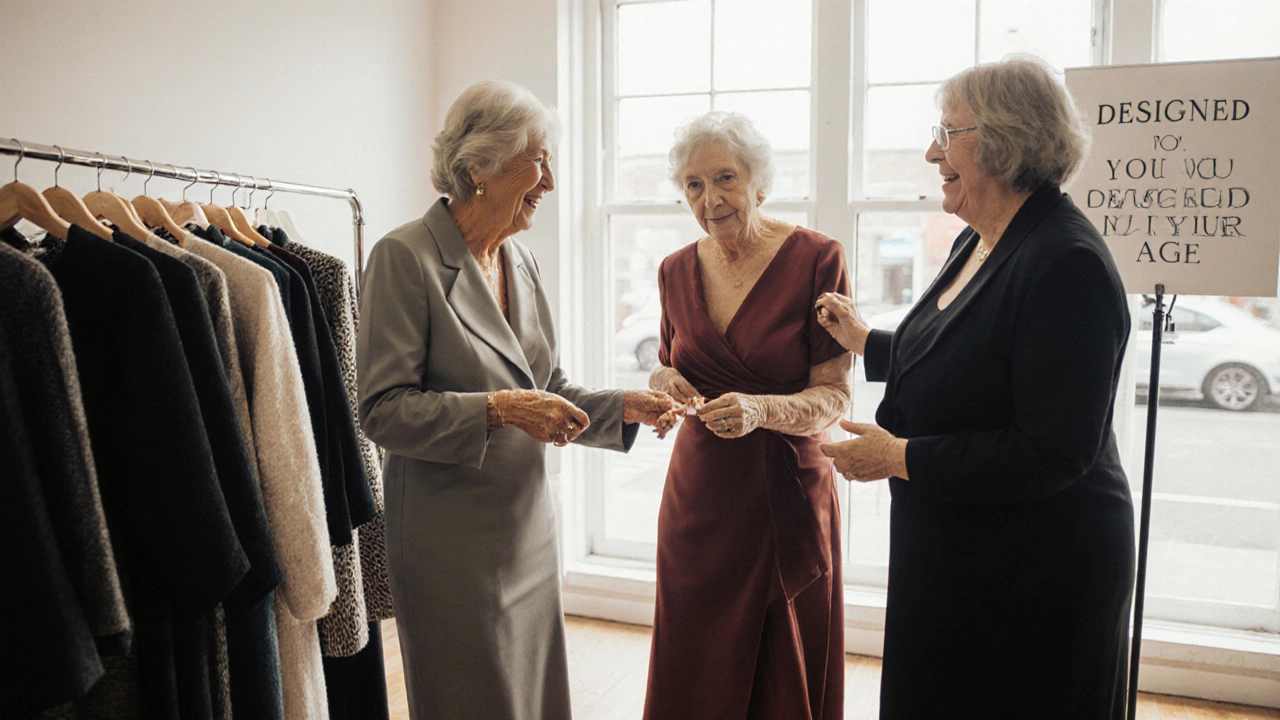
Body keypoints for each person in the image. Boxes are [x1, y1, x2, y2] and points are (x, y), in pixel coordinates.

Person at [815, 56, 1135, 719]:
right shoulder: (983, 239)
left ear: (1004, 138)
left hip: (1034, 569)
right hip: (967, 549)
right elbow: (967, 352)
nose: (933, 151)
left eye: (947, 131)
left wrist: (898, 457)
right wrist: (866, 341)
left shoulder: (1064, 263)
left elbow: (1053, 450)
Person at [357, 80, 678, 720]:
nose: (550, 182)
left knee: (534, 696)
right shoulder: (403, 256)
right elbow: (383, 411)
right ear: (479, 166)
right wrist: (498, 409)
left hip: (527, 522)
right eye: (538, 159)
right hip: (449, 538)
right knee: (471, 699)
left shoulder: (519, 259)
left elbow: (545, 387)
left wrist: (624, 406)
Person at [643, 111, 853, 720]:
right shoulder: (673, 269)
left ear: (760, 181)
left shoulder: (819, 258)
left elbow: (835, 394)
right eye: (693, 184)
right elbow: (665, 365)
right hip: (698, 495)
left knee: (780, 669)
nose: (710, 200)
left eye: (726, 178)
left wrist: (762, 409)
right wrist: (666, 382)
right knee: (693, 655)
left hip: (783, 491)